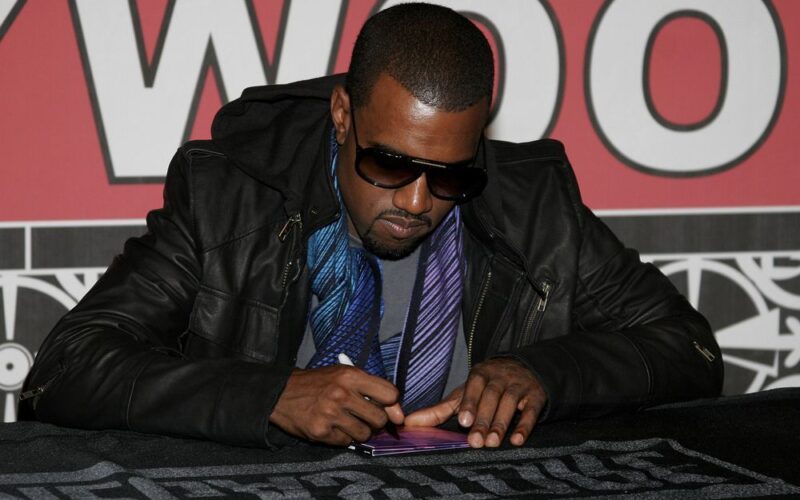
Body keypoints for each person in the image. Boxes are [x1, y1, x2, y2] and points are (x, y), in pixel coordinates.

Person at [20, 3, 723, 449]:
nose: (416, 202)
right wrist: (270, 395)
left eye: (450, 176)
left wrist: (545, 374)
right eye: (389, 163)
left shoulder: (535, 208)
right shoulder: (229, 195)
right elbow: (65, 369)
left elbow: (689, 348)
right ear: (341, 115)